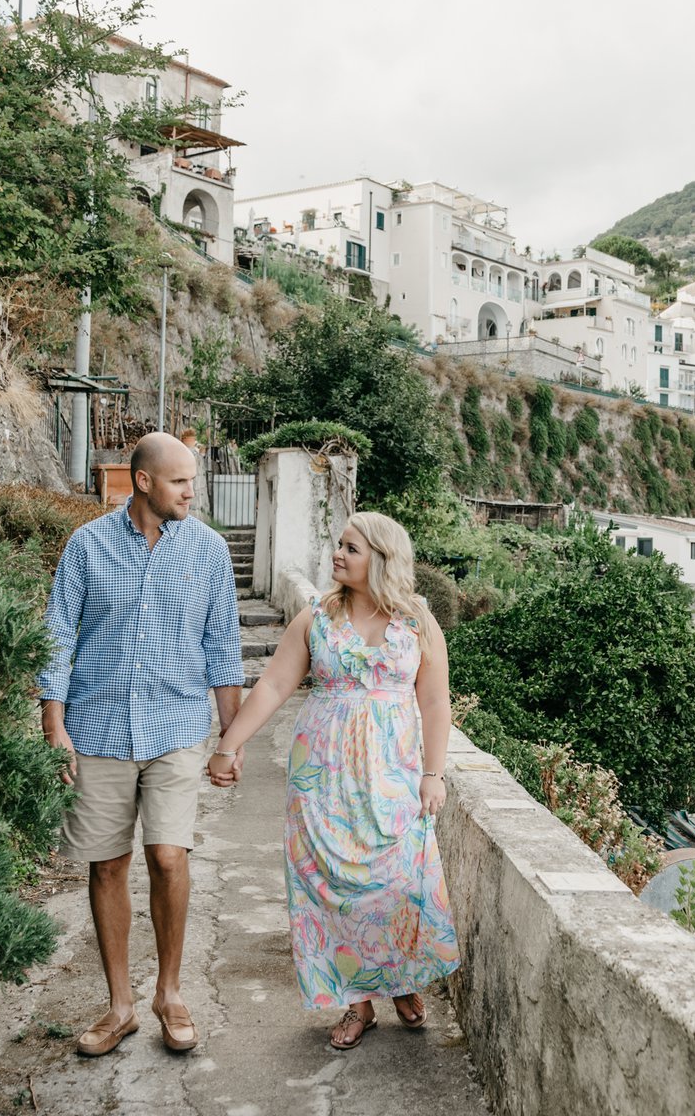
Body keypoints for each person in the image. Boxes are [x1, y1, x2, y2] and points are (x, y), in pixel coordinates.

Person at [207, 511, 460, 1049]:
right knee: (329, 891)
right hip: (321, 779)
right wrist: (230, 744)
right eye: (338, 545)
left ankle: (402, 982)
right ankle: (357, 1003)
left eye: (351, 548)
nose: (338, 555)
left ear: (382, 559)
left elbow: (436, 701)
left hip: (393, 774)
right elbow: (275, 685)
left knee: (398, 884)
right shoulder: (316, 617)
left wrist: (433, 774)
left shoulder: (417, 621)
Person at [38, 432, 245, 1057]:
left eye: (193, 480)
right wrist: (54, 725)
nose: (192, 490)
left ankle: (170, 993)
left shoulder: (207, 550)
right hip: (98, 727)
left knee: (168, 858)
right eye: (181, 480)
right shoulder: (87, 545)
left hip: (177, 727)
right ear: (145, 483)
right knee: (106, 864)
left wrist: (229, 741)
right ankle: (120, 1005)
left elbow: (223, 645)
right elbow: (56, 638)